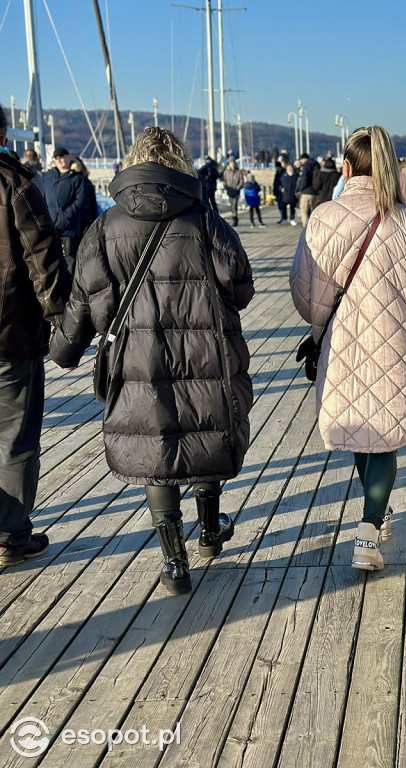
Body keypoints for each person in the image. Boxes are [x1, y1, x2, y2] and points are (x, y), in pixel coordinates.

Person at [50, 127, 254, 595]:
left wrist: (63, 349)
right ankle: (208, 529)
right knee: (204, 431)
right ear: (179, 165)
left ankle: (173, 561)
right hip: (205, 356)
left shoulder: (103, 228)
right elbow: (241, 287)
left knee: (156, 446)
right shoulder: (205, 220)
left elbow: (82, 300)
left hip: (135, 363)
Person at [290, 126, 406, 571]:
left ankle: (374, 519)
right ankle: (370, 530)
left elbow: (305, 290)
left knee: (361, 425)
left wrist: (321, 320)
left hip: (341, 339)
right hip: (396, 338)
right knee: (385, 431)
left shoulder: (323, 217)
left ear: (346, 167)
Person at [0, 105, 73, 566]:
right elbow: (42, 256)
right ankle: (10, 535)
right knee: (13, 435)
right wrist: (62, 317)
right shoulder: (14, 184)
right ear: (3, 132)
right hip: (10, 334)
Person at [40, 147, 89, 272]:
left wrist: (64, 216)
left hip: (69, 226)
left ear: (68, 157)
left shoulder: (77, 177)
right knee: (51, 259)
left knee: (69, 259)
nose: (60, 160)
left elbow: (80, 201)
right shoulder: (48, 176)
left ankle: (70, 286)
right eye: (57, 158)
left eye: (62, 157)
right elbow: (43, 197)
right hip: (51, 224)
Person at [296, 153, 318, 227]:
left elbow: (304, 178)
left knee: (303, 210)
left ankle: (306, 228)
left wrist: (301, 189)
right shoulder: (316, 164)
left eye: (301, 159)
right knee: (315, 211)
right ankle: (316, 226)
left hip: (307, 191)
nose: (301, 161)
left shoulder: (306, 165)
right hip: (316, 192)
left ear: (304, 159)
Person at [223, 158, 245, 226]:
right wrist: (227, 188)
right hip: (230, 191)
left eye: (233, 163)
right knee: (231, 206)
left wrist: (237, 188)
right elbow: (224, 181)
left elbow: (241, 181)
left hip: (236, 191)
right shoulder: (226, 171)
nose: (232, 164)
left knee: (234, 206)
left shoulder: (238, 171)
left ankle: (235, 220)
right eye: (231, 163)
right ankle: (233, 217)